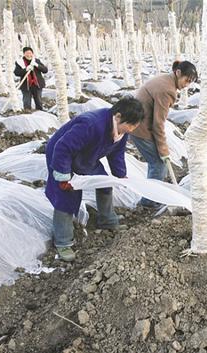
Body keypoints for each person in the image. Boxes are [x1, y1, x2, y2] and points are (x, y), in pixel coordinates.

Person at [45, 97, 145, 261]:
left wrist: (120, 175)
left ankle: (106, 219)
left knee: (104, 183)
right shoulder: (91, 124)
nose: (132, 129)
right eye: (131, 125)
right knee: (66, 197)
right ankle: (63, 243)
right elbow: (63, 147)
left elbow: (117, 154)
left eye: (135, 126)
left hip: (87, 156)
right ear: (118, 116)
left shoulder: (122, 131)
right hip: (62, 156)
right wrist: (63, 176)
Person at [130, 60, 198, 210]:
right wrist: (163, 149)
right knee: (159, 165)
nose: (187, 85)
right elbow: (158, 124)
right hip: (140, 128)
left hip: (139, 123)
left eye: (190, 82)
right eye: (186, 80)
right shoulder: (167, 90)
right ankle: (148, 202)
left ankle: (150, 196)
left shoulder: (166, 80)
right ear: (178, 73)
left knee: (156, 164)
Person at [14, 47, 48, 111]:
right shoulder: (20, 62)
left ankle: (40, 113)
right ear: (24, 54)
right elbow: (16, 72)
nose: (29, 55)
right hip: (26, 85)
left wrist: (37, 65)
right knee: (26, 101)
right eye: (27, 53)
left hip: (37, 84)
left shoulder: (36, 61)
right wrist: (25, 69)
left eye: (30, 53)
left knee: (38, 101)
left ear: (32, 53)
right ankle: (27, 112)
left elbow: (45, 70)